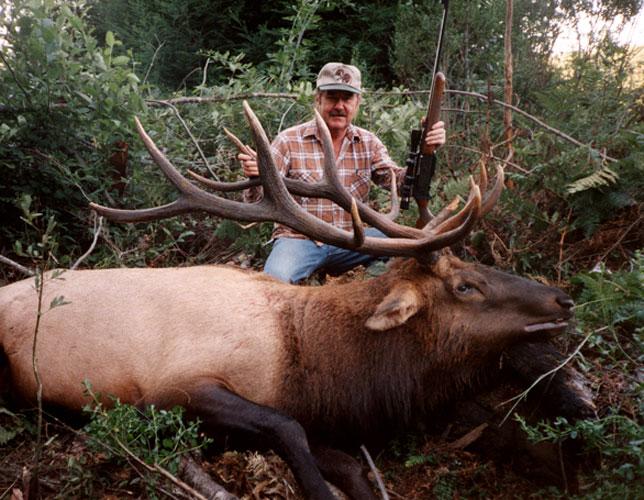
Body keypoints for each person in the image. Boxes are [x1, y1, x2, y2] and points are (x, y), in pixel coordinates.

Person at [239, 62, 446, 284]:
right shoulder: (288, 141)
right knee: (274, 281)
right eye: (332, 97)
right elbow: (258, 201)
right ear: (318, 99)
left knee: (420, 246)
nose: (339, 106)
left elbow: (402, 183)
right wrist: (255, 178)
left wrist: (426, 155)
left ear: (357, 103)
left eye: (347, 99)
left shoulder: (368, 142)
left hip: (354, 241)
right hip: (300, 240)